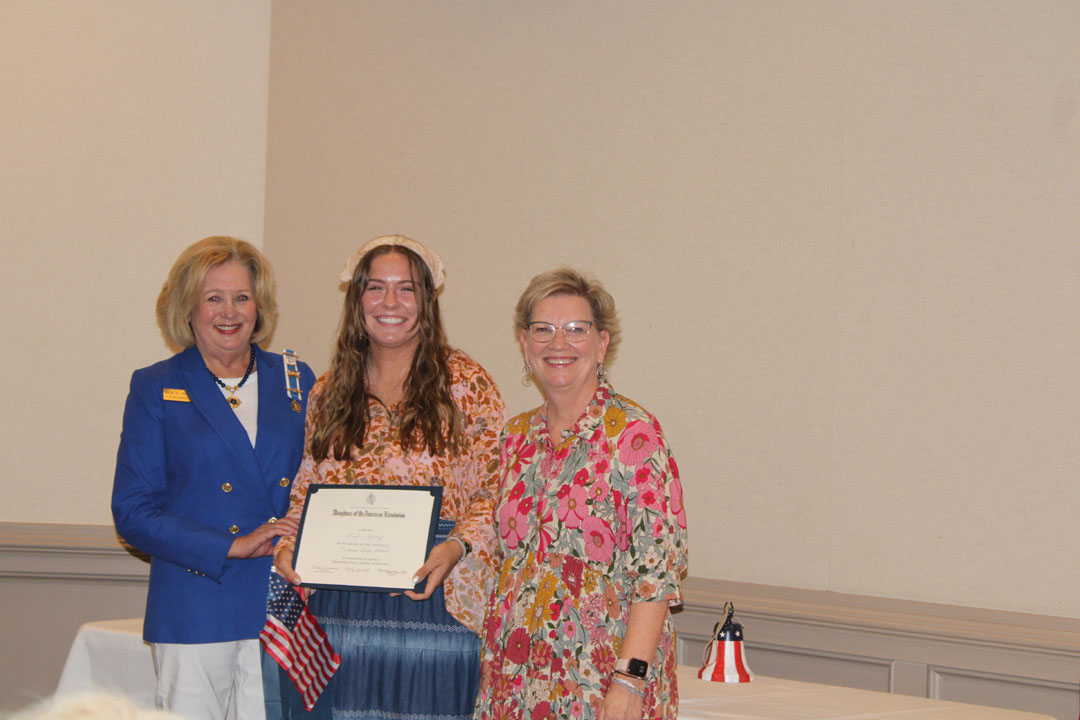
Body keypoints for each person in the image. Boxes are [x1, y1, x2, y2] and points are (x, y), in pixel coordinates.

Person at [270, 235, 506, 720]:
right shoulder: (329, 391)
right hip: (338, 605)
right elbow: (305, 490)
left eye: (407, 288)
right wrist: (287, 545)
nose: (390, 302)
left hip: (435, 596)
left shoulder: (467, 384)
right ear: (356, 299)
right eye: (376, 287)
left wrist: (456, 547)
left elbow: (496, 486)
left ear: (428, 300)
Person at [111, 236, 316, 720]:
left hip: (283, 600)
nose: (229, 312)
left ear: (259, 306)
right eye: (213, 298)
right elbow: (133, 512)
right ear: (187, 308)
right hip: (196, 603)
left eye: (242, 297)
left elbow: (322, 480)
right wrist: (231, 545)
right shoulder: (156, 385)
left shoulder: (296, 379)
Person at [473, 268, 689, 720]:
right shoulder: (515, 437)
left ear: (602, 343)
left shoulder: (634, 436)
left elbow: (654, 578)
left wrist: (629, 681)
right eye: (543, 330)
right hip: (515, 678)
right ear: (524, 343)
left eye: (576, 329)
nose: (559, 343)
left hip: (601, 683)